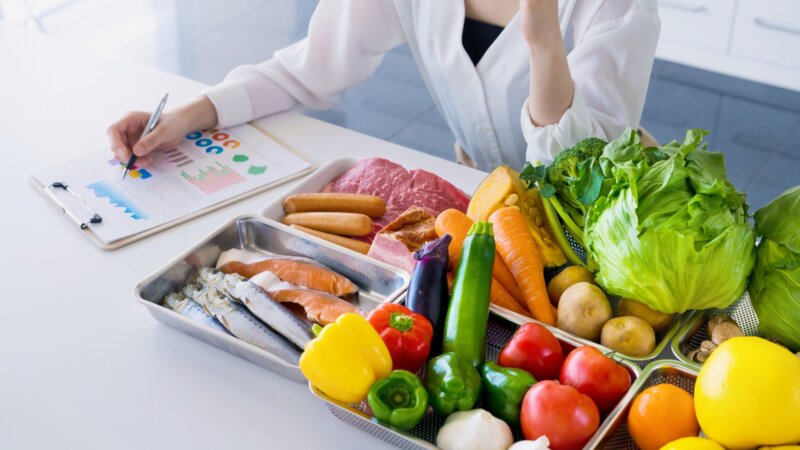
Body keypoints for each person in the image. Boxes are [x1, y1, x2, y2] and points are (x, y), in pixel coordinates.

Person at [107, 0, 660, 171]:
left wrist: (543, 40)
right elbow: (309, 68)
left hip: (595, 238)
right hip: (484, 208)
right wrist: (191, 113)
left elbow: (584, 170)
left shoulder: (616, 5)